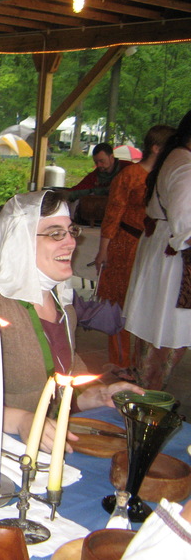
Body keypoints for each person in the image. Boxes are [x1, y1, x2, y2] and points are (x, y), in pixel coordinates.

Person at [0, 190, 142, 449]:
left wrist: (99, 395)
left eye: (71, 231)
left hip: (43, 449)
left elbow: (63, 384)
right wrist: (22, 421)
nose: (71, 243)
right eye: (55, 233)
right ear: (21, 241)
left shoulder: (62, 305)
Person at [94, 125, 175, 368]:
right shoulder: (129, 175)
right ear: (156, 148)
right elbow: (112, 214)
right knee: (119, 302)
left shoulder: (166, 175)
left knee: (145, 302)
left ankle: (141, 362)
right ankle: (120, 361)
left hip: (152, 245)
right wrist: (103, 250)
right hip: (125, 244)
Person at [124, 110, 191, 390]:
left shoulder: (178, 159)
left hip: (165, 251)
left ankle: (145, 392)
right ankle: (147, 396)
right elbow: (185, 223)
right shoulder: (185, 166)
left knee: (160, 330)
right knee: (166, 331)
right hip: (173, 258)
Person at [68, 142, 133, 201]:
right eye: (96, 162)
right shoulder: (94, 176)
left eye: (102, 161)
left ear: (111, 157)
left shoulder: (129, 168)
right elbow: (78, 189)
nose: (98, 165)